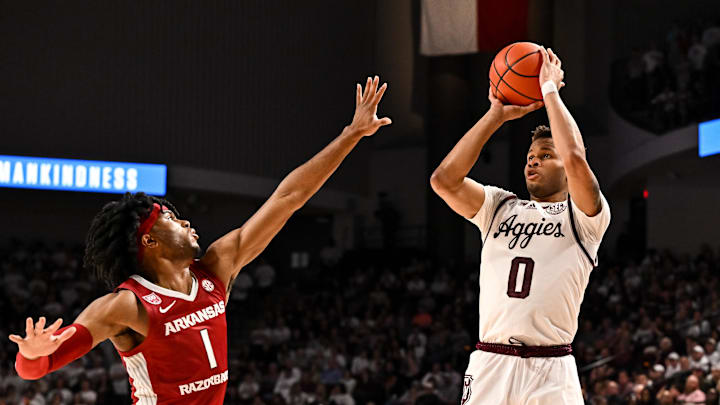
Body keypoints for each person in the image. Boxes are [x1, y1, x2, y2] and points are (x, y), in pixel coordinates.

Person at [8, 76, 392, 404]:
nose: (187, 222)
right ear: (149, 242)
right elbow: (37, 367)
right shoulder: (125, 306)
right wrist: (31, 353)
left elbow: (288, 198)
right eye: (172, 219)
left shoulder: (216, 267)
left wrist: (350, 135)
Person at [430, 46, 611, 404]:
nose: (534, 163)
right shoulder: (500, 206)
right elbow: (444, 180)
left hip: (552, 366)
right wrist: (494, 116)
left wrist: (550, 91)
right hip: (491, 362)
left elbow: (575, 156)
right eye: (530, 157)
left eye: (546, 156)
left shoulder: (586, 217)